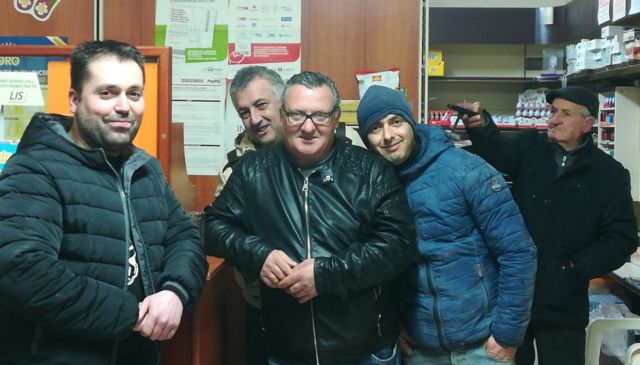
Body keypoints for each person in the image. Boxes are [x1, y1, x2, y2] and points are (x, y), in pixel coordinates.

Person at [0, 40, 208, 365]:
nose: (124, 106)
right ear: (74, 100)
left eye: (134, 94)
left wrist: (175, 291)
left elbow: (185, 238)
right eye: (107, 93)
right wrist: (132, 315)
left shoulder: (145, 169)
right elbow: (22, 269)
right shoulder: (35, 168)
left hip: (138, 354)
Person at [205, 71, 415, 365]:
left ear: (335, 118)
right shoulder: (252, 171)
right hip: (287, 350)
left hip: (366, 350)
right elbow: (212, 227)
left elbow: (399, 245)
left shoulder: (369, 170)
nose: (307, 127)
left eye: (319, 116)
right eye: (296, 115)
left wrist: (326, 275)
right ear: (283, 116)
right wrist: (258, 254)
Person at [356, 84, 537, 365]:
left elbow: (517, 253)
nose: (388, 135)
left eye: (396, 121)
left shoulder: (467, 171)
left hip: (482, 347)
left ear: (411, 123)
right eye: (376, 128)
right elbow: (382, 270)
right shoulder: (372, 186)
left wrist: (507, 334)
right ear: (366, 139)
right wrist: (394, 326)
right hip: (420, 350)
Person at [457, 85, 638, 365]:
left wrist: (577, 266)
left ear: (587, 124)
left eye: (565, 114)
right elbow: (497, 151)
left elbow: (622, 237)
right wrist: (480, 126)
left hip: (564, 297)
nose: (554, 119)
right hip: (515, 290)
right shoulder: (530, 147)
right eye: (553, 111)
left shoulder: (608, 174)